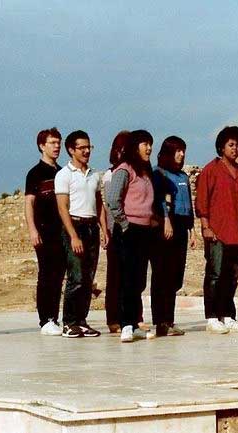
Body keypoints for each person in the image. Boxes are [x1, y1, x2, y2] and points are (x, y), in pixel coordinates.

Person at [195, 126, 238, 334]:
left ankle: (228, 315)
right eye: (231, 145)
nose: (234, 149)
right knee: (215, 275)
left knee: (232, 277)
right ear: (221, 147)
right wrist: (205, 226)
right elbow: (202, 200)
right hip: (218, 232)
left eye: (237, 145)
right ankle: (212, 317)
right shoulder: (210, 170)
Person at [55, 130, 108, 338]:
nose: (86, 151)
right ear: (71, 150)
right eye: (82, 148)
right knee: (76, 277)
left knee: (88, 278)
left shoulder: (95, 174)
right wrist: (73, 235)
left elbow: (99, 203)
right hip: (74, 226)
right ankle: (69, 321)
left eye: (89, 147)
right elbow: (62, 207)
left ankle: (82, 320)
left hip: (91, 227)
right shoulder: (64, 175)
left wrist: (103, 229)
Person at [107, 130, 156, 342]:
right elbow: (113, 200)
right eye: (145, 143)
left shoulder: (146, 171)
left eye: (150, 144)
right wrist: (125, 225)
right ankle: (125, 323)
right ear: (135, 146)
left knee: (138, 280)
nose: (149, 148)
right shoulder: (124, 170)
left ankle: (135, 322)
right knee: (127, 278)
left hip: (145, 231)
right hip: (129, 231)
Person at [150, 136, 195, 337]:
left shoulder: (183, 177)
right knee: (163, 276)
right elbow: (160, 201)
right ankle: (161, 321)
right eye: (177, 150)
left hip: (182, 228)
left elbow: (189, 205)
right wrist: (166, 220)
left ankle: (170, 319)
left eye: (183, 150)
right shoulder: (159, 174)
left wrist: (192, 230)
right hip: (166, 228)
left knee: (176, 277)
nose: (181, 154)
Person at [25, 128, 66, 336]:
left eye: (58, 142)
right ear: (42, 145)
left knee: (59, 274)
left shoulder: (62, 172)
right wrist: (32, 229)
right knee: (46, 274)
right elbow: (29, 203)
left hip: (62, 231)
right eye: (52, 143)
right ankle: (45, 319)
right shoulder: (35, 173)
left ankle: (55, 317)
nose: (56, 146)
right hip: (44, 230)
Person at [100, 130, 129, 334]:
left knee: (132, 277)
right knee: (115, 276)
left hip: (133, 230)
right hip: (117, 229)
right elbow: (111, 204)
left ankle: (131, 317)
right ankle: (114, 318)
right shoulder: (111, 176)